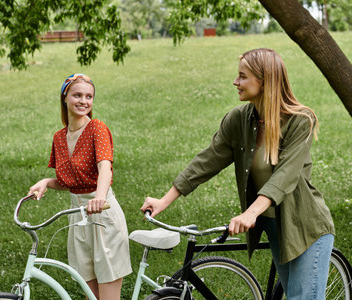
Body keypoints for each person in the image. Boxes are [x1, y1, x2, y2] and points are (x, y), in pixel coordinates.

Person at [141, 48, 335, 299]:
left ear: (264, 81)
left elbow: (285, 175)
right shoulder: (239, 119)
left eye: (243, 76)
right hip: (275, 226)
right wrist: (163, 201)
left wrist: (251, 212)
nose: (236, 82)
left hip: (305, 226)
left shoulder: (301, 120)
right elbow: (206, 161)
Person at [29, 73, 132, 300]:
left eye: (89, 96)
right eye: (77, 95)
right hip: (78, 218)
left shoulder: (97, 128)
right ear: (65, 97)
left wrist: (100, 198)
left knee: (107, 297)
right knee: (89, 295)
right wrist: (47, 182)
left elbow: (105, 168)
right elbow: (71, 182)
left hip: (103, 215)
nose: (83, 101)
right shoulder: (59, 137)